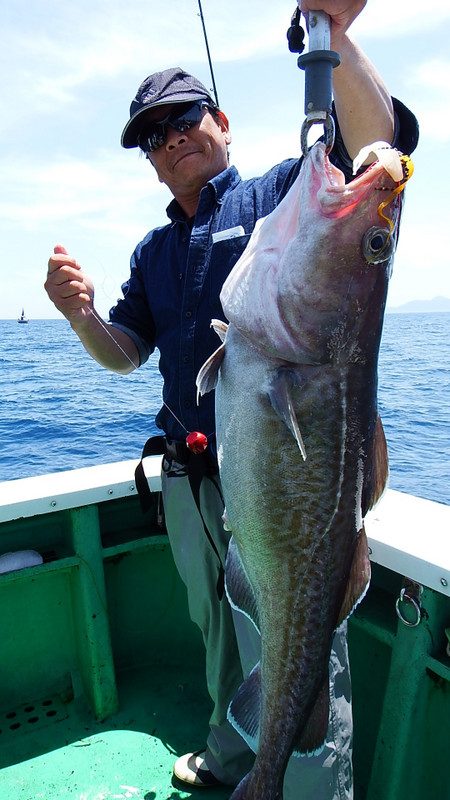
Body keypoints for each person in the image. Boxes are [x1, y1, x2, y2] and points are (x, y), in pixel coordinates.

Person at [45, 2, 418, 797]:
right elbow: (125, 353)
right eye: (153, 135)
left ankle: (309, 778)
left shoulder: (285, 195)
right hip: (192, 482)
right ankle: (229, 751)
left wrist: (335, 36)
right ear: (148, 163)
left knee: (293, 640)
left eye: (183, 118)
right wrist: (80, 317)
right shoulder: (151, 252)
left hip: (283, 482)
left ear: (222, 121)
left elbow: (375, 144)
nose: (171, 138)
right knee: (218, 629)